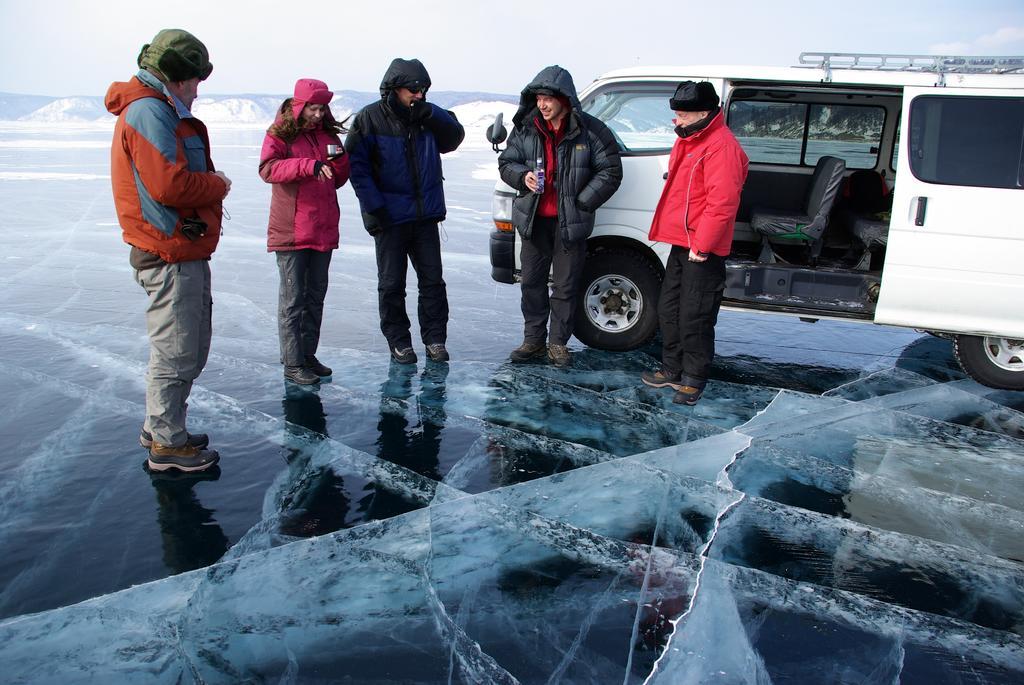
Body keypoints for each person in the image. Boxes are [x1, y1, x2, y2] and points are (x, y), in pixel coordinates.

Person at [106, 29, 230, 473]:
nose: (198, 89)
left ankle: (160, 426)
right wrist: (218, 185)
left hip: (180, 248)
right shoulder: (149, 113)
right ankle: (167, 442)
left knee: (185, 346)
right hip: (168, 253)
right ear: (178, 78)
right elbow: (169, 184)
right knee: (177, 350)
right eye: (196, 79)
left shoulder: (155, 110)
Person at [498, 66, 623, 367]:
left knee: (565, 286)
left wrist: (582, 201)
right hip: (533, 220)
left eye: (548, 99)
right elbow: (506, 162)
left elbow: (611, 170)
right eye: (538, 98)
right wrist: (522, 176)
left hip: (570, 222)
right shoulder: (526, 128)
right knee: (531, 283)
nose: (542, 104)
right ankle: (532, 341)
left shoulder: (590, 130)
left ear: (564, 100)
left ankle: (557, 344)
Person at [346, 58, 465, 365]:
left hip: (424, 216)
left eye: (423, 90)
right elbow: (356, 168)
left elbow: (454, 138)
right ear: (394, 88)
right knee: (391, 285)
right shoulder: (369, 119)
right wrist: (375, 208)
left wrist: (433, 113)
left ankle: (435, 339)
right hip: (389, 219)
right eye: (413, 90)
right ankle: (399, 341)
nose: (419, 95)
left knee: (433, 283)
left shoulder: (428, 117)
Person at [641, 81, 748, 405]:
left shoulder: (722, 147)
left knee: (695, 314)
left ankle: (694, 377)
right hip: (681, 241)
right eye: (676, 114)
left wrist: (703, 245)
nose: (677, 120)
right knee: (669, 308)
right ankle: (671, 368)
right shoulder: (690, 140)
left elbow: (722, 203)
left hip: (703, 248)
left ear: (704, 113)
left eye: (683, 114)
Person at [259, 79, 351, 385]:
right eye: (313, 107)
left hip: (322, 229)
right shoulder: (279, 134)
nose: (317, 113)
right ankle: (293, 362)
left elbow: (337, 179)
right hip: (292, 232)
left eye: (322, 107)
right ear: (299, 106)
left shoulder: (326, 135)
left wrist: (339, 163)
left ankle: (307, 355)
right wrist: (307, 165)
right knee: (293, 299)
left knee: (315, 297)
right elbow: (268, 169)